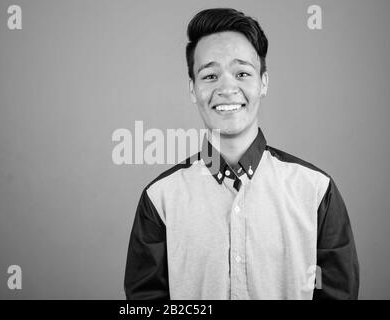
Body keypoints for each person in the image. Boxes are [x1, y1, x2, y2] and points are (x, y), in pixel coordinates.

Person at [124, 8, 359, 300]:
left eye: (242, 73)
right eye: (210, 75)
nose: (226, 87)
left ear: (264, 82)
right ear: (193, 89)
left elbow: (338, 293)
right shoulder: (160, 199)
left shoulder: (316, 191)